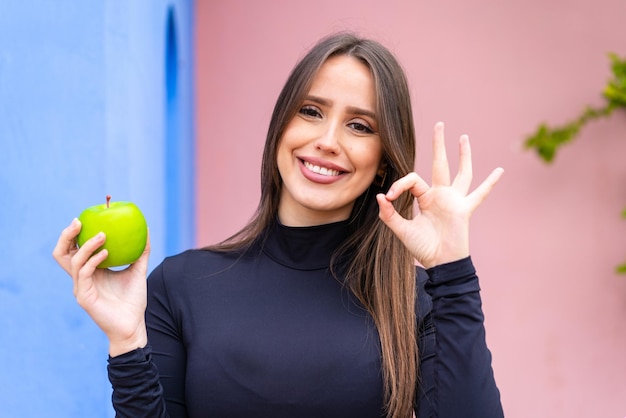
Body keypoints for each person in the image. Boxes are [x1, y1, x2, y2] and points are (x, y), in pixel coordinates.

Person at [53, 32, 504, 418]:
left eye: (360, 126)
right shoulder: (180, 285)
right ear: (280, 127)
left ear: (384, 161)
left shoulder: (414, 299)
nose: (327, 141)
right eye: (311, 111)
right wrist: (128, 341)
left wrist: (452, 270)